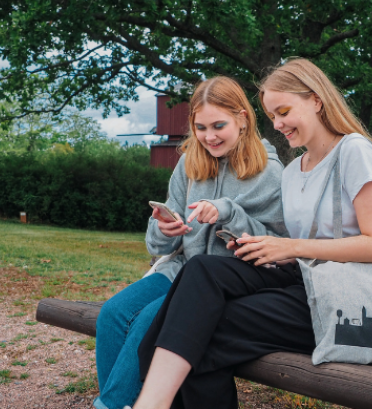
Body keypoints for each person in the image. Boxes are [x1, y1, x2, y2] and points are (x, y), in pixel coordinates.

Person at [132, 58, 372, 409]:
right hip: (302, 282)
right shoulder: (296, 170)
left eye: (284, 111)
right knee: (201, 275)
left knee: (199, 334)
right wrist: (256, 243)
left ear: (316, 100)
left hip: (345, 301)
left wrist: (288, 246)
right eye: (272, 116)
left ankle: (149, 405)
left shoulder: (355, 151)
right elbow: (286, 246)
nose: (277, 124)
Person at [93, 76, 287, 409]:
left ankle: (113, 405)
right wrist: (164, 230)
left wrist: (229, 214)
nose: (209, 136)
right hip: (182, 270)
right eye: (200, 127)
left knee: (148, 320)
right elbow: (160, 247)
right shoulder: (189, 163)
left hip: (228, 283)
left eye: (218, 125)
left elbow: (277, 244)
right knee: (111, 314)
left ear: (242, 118)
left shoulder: (269, 172)